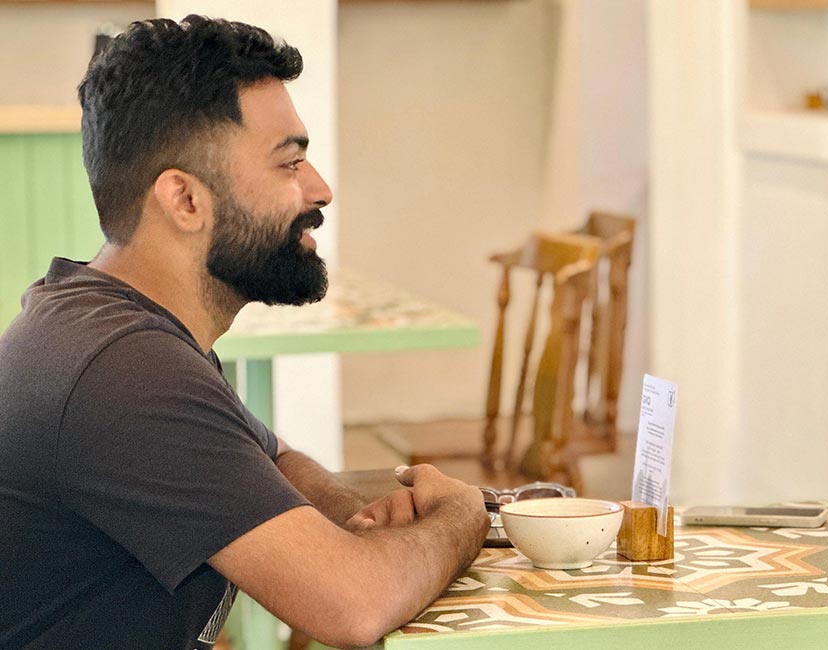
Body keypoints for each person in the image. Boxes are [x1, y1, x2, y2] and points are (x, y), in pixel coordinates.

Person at [0, 16, 489, 649]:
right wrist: (461, 514)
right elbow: (352, 607)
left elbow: (270, 458)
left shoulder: (103, 320)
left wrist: (350, 514)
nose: (320, 189)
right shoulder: (125, 371)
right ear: (184, 200)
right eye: (290, 164)